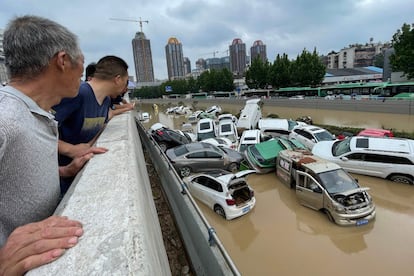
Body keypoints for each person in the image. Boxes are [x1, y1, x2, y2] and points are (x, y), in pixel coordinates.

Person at [0, 15, 95, 275]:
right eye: (82, 65)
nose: (83, 76)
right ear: (63, 61)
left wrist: (65, 171)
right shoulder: (6, 118)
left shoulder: (36, 113)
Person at [53, 55, 134, 194]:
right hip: (56, 178)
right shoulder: (79, 94)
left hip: (76, 175)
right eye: (126, 82)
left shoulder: (106, 101)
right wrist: (70, 149)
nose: (125, 89)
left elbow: (104, 120)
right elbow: (37, 131)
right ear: (118, 79)